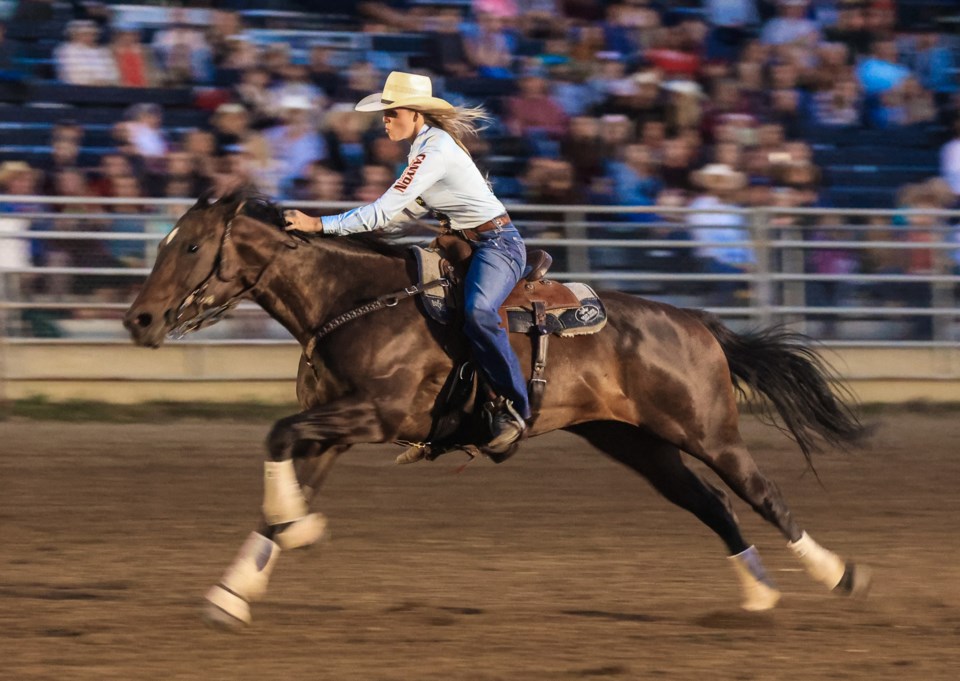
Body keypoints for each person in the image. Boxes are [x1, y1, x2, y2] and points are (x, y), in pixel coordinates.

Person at [283, 71, 530, 453]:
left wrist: (320, 225)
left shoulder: (434, 151)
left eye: (391, 113)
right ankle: (444, 413)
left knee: (480, 312)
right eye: (384, 114)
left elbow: (386, 212)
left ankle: (514, 406)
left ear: (416, 114)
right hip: (464, 244)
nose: (385, 121)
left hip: (497, 245)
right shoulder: (425, 148)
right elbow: (401, 214)